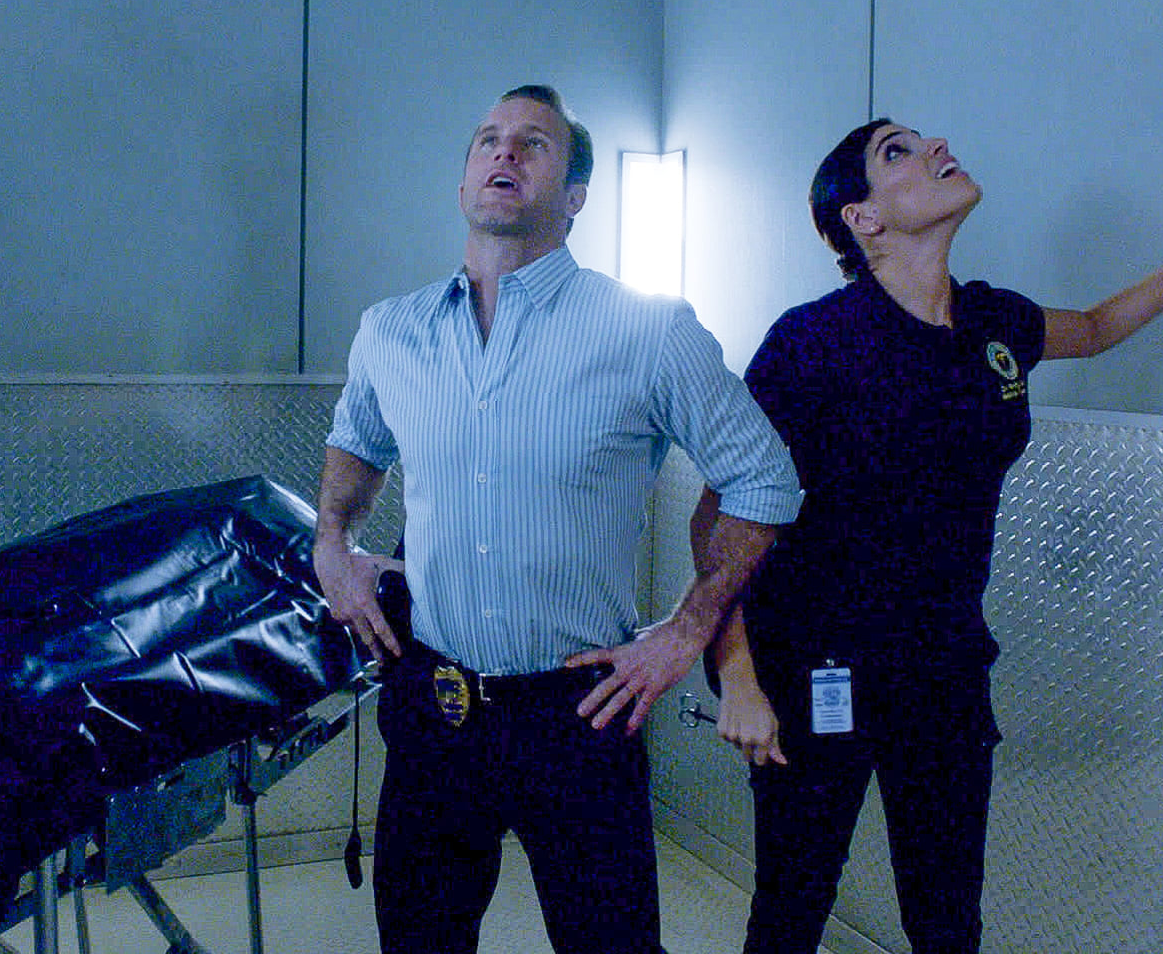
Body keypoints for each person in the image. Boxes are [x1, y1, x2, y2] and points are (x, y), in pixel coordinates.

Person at [699, 118, 1163, 953]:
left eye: (921, 138)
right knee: (791, 910)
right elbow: (718, 514)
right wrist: (737, 674)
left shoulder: (993, 322)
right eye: (896, 152)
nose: (933, 148)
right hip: (818, 667)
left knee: (948, 920)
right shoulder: (812, 342)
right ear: (863, 218)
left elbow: (1097, 327)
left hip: (945, 669)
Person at [314, 84, 801, 954]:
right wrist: (333, 543)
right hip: (434, 703)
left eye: (533, 143)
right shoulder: (390, 331)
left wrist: (687, 631)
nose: (504, 152)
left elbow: (763, 480)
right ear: (463, 180)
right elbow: (357, 442)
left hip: (579, 712)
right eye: (488, 139)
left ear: (575, 197)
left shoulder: (646, 331)